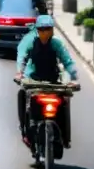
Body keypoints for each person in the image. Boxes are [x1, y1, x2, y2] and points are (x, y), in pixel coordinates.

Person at [15, 15, 79, 148]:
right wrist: (19, 73)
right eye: (42, 29)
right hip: (32, 80)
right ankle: (25, 132)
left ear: (52, 30)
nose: (45, 32)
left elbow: (67, 61)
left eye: (48, 29)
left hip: (52, 81)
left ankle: (65, 137)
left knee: (65, 101)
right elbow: (21, 57)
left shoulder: (56, 43)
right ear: (37, 30)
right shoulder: (29, 41)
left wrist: (73, 78)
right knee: (22, 94)